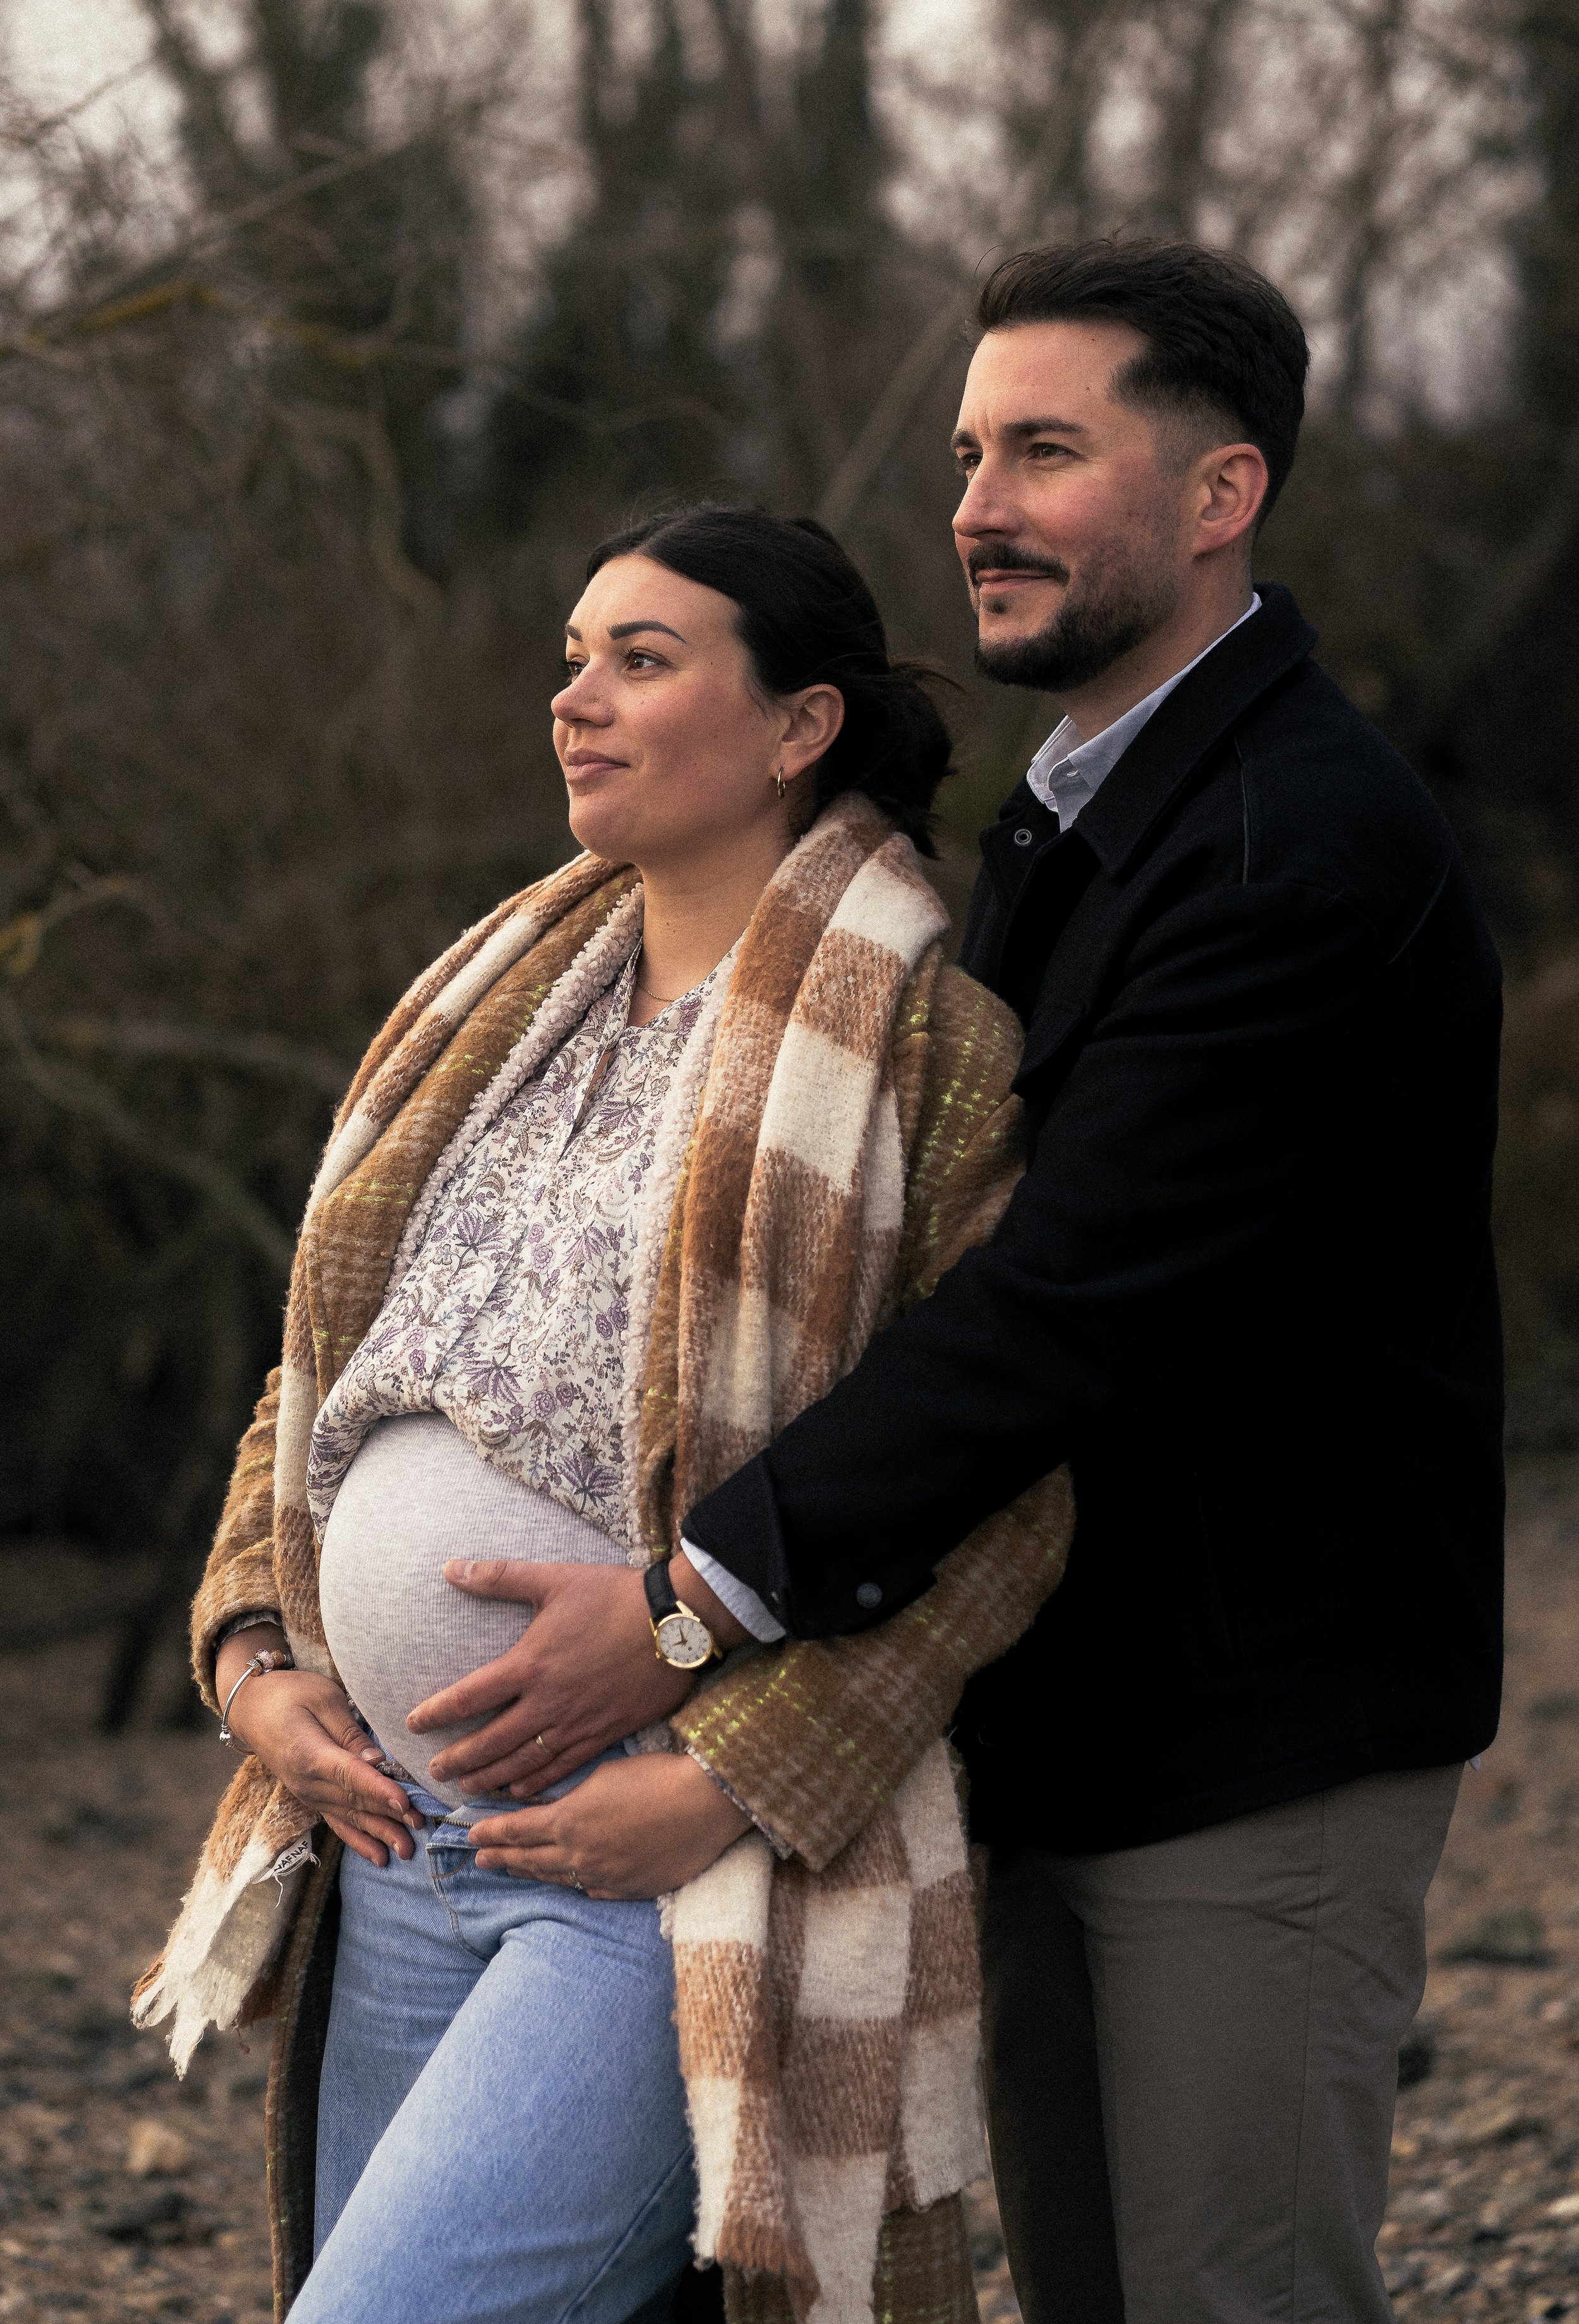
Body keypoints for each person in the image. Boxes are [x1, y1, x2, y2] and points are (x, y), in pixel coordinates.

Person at [462, 240, 1504, 2324]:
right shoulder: (1061, 822)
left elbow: (1055, 1309)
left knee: (1237, 2298)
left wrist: (688, 1610)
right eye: (965, 452)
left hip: (1256, 1731)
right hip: (1058, 1710)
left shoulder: (1289, 847)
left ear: (1218, 497)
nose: (975, 505)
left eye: (1044, 449)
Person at [133, 505, 1076, 2324]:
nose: (575, 699)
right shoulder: (489, 999)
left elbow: (995, 1500)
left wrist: (730, 1782)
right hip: (389, 1843)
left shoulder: (923, 1052)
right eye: (572, 658)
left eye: (640, 661)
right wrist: (253, 1653)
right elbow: (322, 1373)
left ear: (799, 728)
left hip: (645, 1867)